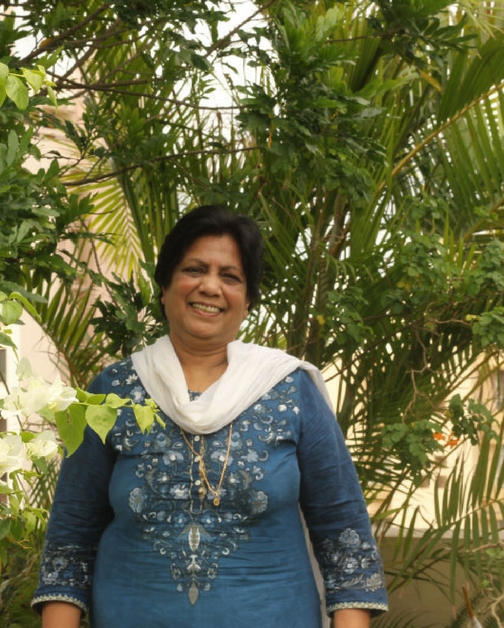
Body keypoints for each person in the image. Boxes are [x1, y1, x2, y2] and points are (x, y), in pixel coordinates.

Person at [31, 205, 388, 627]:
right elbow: (70, 542)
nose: (210, 287)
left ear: (248, 301)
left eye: (230, 277)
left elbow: (345, 541)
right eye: (194, 269)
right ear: (164, 287)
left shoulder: (291, 390)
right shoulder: (111, 393)